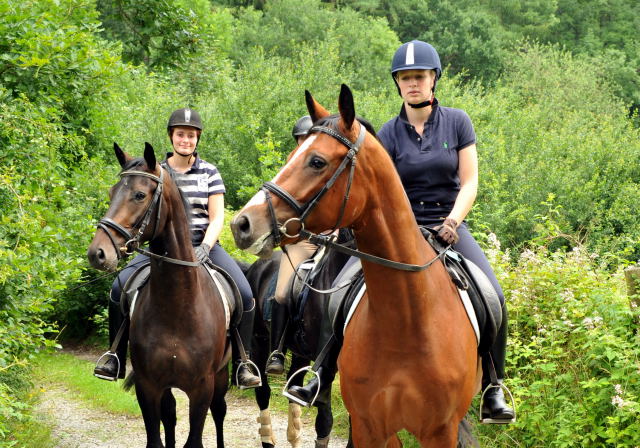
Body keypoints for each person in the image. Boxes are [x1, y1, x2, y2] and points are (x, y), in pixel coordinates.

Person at [286, 40, 515, 423]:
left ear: (433, 80)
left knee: (492, 294)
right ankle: (321, 374)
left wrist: (453, 222)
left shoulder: (458, 122)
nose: (413, 84)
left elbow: (470, 181)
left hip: (449, 225)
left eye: (419, 77)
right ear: (398, 83)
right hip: (400, 231)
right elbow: (382, 189)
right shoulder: (388, 132)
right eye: (406, 78)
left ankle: (493, 386)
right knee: (339, 293)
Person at [93, 107, 261, 389]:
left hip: (203, 245)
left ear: (198, 139)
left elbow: (217, 215)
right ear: (172, 136)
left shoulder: (209, 171)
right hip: (160, 250)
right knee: (118, 287)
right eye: (181, 134)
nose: (186, 140)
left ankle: (243, 363)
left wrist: (206, 247)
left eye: (191, 135)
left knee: (244, 294)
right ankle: (115, 356)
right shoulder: (156, 171)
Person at [265, 115, 319, 375]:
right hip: (302, 243)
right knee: (281, 293)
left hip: (334, 244)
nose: (304, 144)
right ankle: (277, 351)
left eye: (307, 139)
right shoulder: (290, 173)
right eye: (300, 140)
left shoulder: (327, 165)